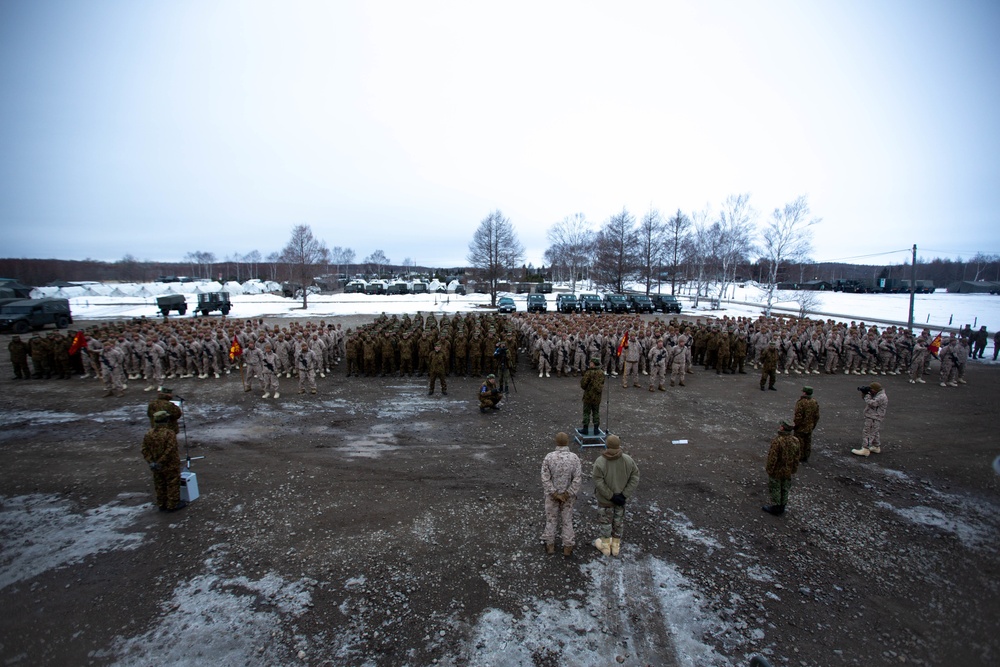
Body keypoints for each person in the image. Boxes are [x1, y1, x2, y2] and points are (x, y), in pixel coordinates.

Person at [592, 434, 639, 557]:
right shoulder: (628, 460)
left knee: (606, 522)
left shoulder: (600, 461)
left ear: (607, 445)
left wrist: (610, 496)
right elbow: (635, 477)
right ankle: (616, 546)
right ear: (619, 445)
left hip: (605, 500)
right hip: (621, 500)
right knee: (618, 521)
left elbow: (598, 481)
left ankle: (605, 546)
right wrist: (624, 495)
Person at [541, 432, 583, 557]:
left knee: (551, 519)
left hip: (552, 496)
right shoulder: (574, 458)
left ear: (556, 442)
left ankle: (550, 545)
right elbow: (577, 478)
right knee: (567, 520)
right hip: (568, 497)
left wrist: (554, 493)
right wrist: (568, 493)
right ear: (567, 442)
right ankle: (568, 547)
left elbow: (545, 478)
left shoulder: (549, 457)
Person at [142, 410, 186, 512]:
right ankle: (173, 504)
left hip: (155, 465)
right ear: (165, 420)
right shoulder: (169, 433)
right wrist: (161, 461)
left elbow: (144, 449)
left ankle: (162, 504)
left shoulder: (149, 433)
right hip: (170, 464)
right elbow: (170, 449)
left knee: (159, 484)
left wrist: (152, 462)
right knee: (172, 483)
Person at [762, 421, 800, 516]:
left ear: (782, 428)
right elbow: (797, 456)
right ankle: (783, 505)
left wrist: (769, 469)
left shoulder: (778, 441)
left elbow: (773, 457)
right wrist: (794, 468)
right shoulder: (795, 440)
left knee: (775, 487)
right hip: (788, 469)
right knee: (785, 487)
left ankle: (776, 507)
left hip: (777, 469)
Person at [852, 381, 888, 457]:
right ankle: (876, 446)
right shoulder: (878, 394)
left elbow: (873, 403)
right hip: (874, 416)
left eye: (872, 389)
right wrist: (865, 394)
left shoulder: (881, 396)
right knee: (874, 431)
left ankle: (865, 449)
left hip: (874, 416)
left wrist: (867, 396)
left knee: (868, 432)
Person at [793, 386, 820, 463]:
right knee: (807, 441)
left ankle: (799, 456)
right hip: (810, 426)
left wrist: (795, 425)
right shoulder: (814, 402)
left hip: (801, 426)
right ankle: (806, 456)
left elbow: (798, 417)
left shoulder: (801, 402)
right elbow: (817, 416)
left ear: (804, 392)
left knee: (799, 441)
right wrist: (813, 425)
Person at [580, 357, 605, 435]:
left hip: (588, 396)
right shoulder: (601, 373)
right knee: (596, 412)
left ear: (593, 364)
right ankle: (596, 429)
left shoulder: (589, 373)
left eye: (591, 363)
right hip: (597, 396)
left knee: (586, 412)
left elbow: (583, 384)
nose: (589, 364)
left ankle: (585, 429)